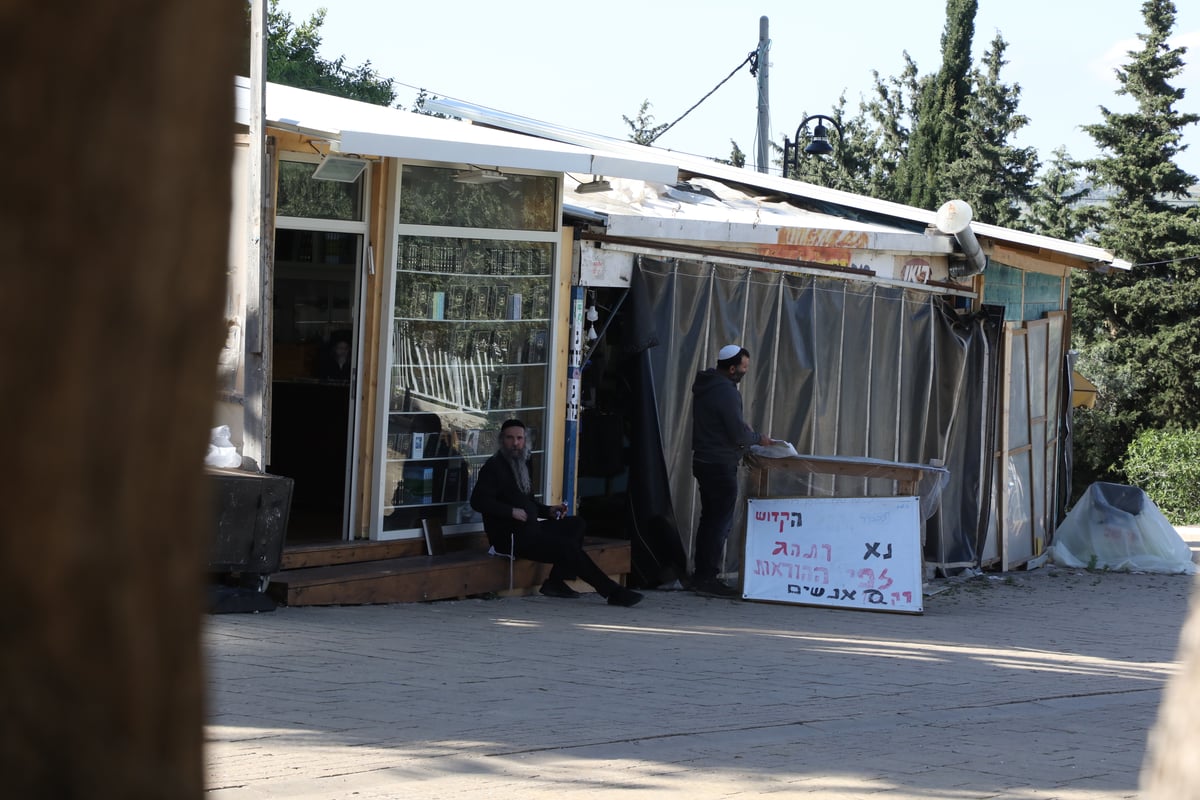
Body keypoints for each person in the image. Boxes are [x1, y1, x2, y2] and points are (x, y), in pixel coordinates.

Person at [470, 418, 643, 607]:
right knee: (567, 548)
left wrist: (548, 510)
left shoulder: (524, 462)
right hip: (510, 537)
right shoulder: (492, 467)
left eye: (519, 438)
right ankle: (612, 592)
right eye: (510, 438)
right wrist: (510, 511)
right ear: (502, 440)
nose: (515, 443)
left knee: (576, 524)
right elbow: (478, 501)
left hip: (531, 528)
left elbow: (528, 502)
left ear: (525, 440)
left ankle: (555, 582)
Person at [690, 344, 773, 598]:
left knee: (709, 520)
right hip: (720, 464)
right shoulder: (726, 391)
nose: (745, 372)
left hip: (703, 461)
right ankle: (708, 578)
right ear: (733, 367)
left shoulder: (706, 386)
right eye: (744, 367)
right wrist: (758, 438)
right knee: (719, 523)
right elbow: (737, 434)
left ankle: (700, 574)